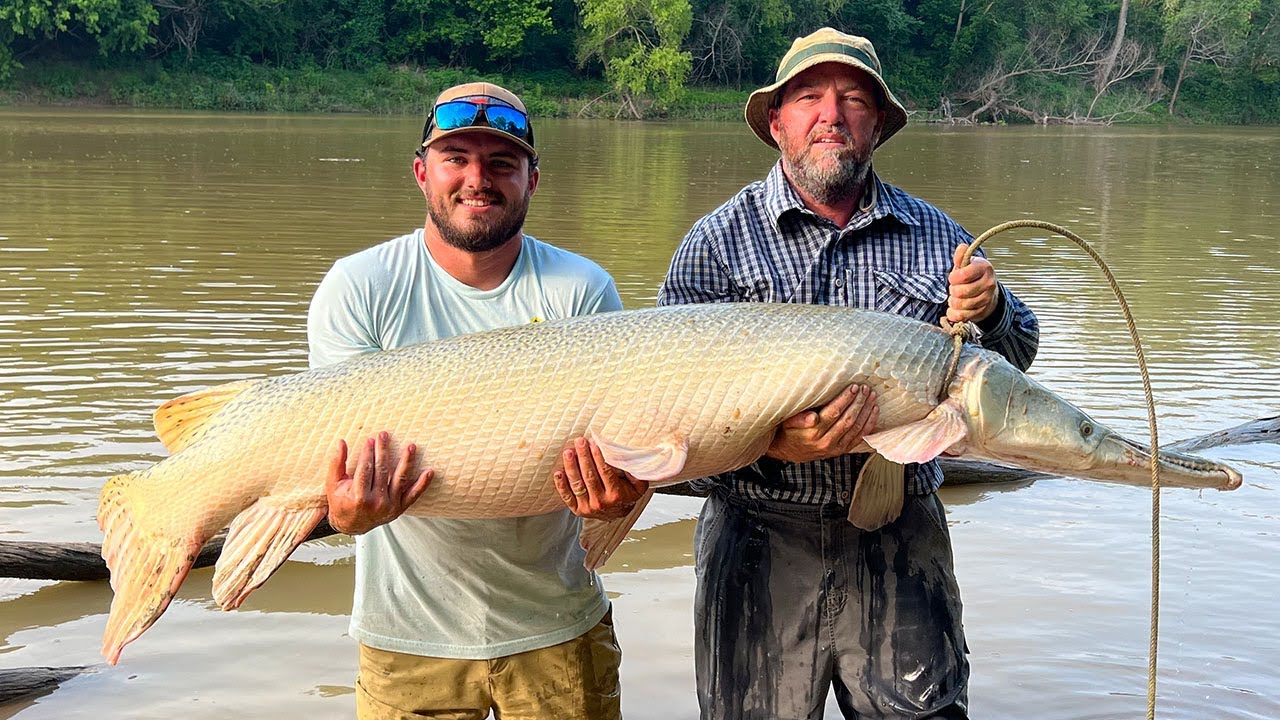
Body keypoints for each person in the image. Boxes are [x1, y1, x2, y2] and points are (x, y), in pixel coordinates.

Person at [658, 28, 1040, 719]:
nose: (831, 114)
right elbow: (666, 427)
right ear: (777, 123)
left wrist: (994, 308)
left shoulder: (936, 235)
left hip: (901, 533)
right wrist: (772, 449)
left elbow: (1012, 366)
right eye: (808, 97)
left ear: (877, 127)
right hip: (755, 537)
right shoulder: (713, 244)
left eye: (853, 99)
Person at [307, 81, 648, 720]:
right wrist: (343, 512)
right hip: (405, 639)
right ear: (421, 172)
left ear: (532, 180)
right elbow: (337, 461)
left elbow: (619, 460)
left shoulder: (581, 290)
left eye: (501, 163)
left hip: (557, 631)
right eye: (456, 158)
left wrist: (622, 496)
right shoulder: (359, 286)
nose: (477, 179)